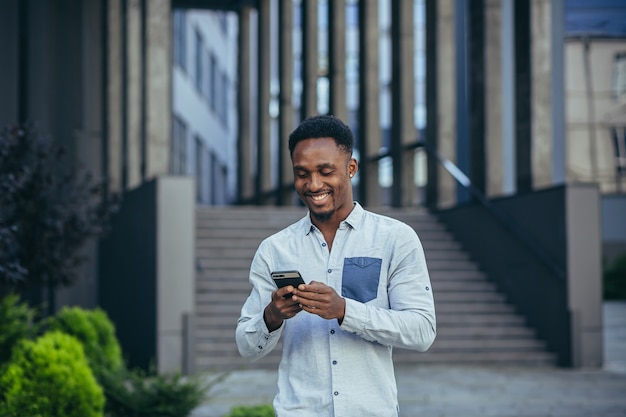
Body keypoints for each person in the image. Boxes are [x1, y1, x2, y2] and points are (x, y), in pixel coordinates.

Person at [235, 114, 436, 417]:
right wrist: (272, 315)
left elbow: (422, 332)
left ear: (351, 168)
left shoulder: (396, 239)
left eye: (325, 171)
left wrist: (344, 311)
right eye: (302, 173)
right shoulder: (274, 250)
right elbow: (247, 347)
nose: (313, 184)